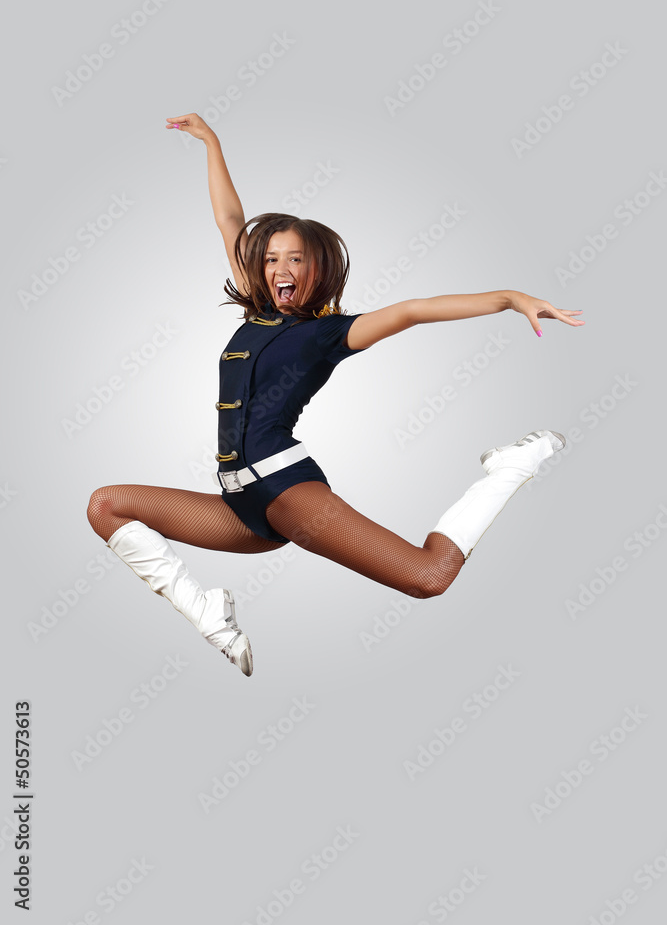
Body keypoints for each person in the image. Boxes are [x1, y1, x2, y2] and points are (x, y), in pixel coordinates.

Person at [86, 113, 585, 678]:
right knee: (106, 504)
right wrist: (212, 143)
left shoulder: (327, 333)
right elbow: (230, 220)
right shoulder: (257, 305)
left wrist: (509, 297)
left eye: (294, 258)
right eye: (271, 258)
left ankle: (511, 467)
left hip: (285, 489)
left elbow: (413, 312)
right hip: (239, 506)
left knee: (428, 576)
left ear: (316, 267)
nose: (279, 268)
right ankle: (209, 616)